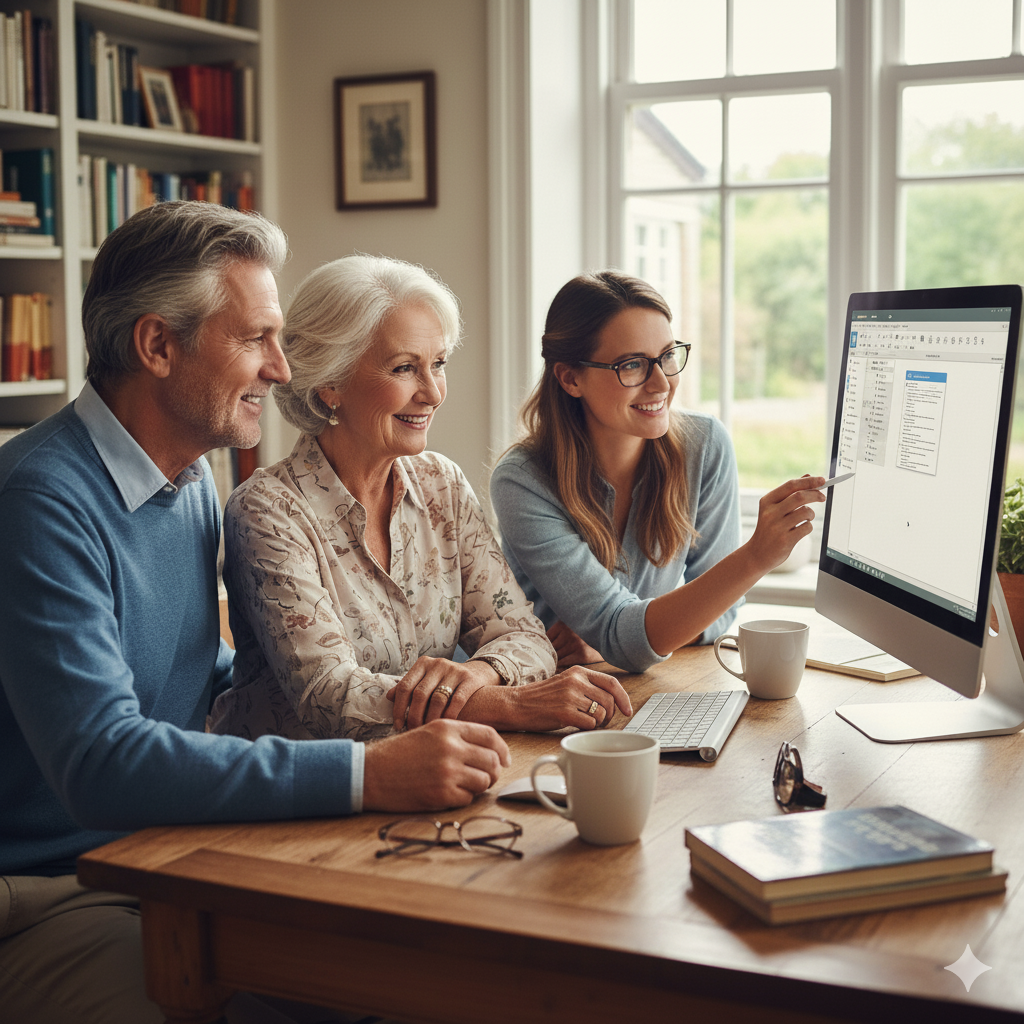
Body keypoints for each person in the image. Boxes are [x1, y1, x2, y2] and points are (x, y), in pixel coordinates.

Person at [0, 202, 514, 1024]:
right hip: (54, 888)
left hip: (169, 854)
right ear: (157, 346)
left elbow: (203, 682)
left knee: (406, 979)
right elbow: (101, 763)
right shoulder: (41, 499)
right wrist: (370, 774)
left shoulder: (188, 482)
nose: (282, 369)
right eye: (255, 338)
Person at [210, 255, 631, 747]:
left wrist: (483, 673)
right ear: (329, 386)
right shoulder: (267, 511)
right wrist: (509, 703)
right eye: (405, 368)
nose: (432, 393)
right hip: (297, 798)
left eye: (438, 364)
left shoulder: (442, 485)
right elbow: (330, 696)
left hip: (427, 768)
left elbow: (523, 635)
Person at [490, 270, 825, 675]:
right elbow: (623, 634)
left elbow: (723, 609)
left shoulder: (705, 445)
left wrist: (614, 643)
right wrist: (756, 557)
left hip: (639, 686)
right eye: (631, 365)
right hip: (545, 701)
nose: (661, 383)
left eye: (667, 356)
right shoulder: (522, 480)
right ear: (570, 377)